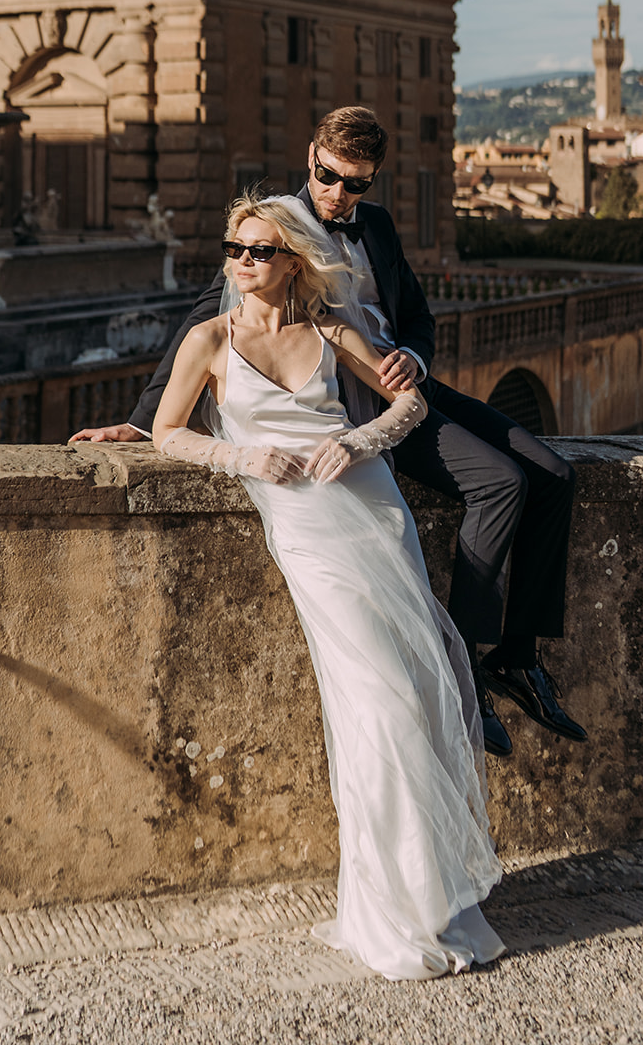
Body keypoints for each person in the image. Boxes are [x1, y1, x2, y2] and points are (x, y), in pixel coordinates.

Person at [73, 107, 585, 760]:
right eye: (328, 176)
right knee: (501, 483)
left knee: (555, 475)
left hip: (407, 383)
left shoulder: (376, 225)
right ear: (311, 154)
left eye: (355, 184)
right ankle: (463, 672)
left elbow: (417, 317)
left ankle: (517, 657)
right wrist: (144, 422)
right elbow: (206, 316)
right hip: (360, 407)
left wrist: (415, 358)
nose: (338, 194)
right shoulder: (276, 227)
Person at [151, 191, 504, 979]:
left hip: (373, 509)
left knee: (411, 690)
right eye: (235, 249)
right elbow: (166, 432)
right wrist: (239, 457)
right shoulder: (206, 339)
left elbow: (408, 400)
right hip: (303, 527)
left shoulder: (328, 329)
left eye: (260, 252)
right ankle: (388, 909)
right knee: (373, 700)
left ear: (293, 262)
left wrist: (359, 439)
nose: (242, 262)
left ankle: (433, 897)